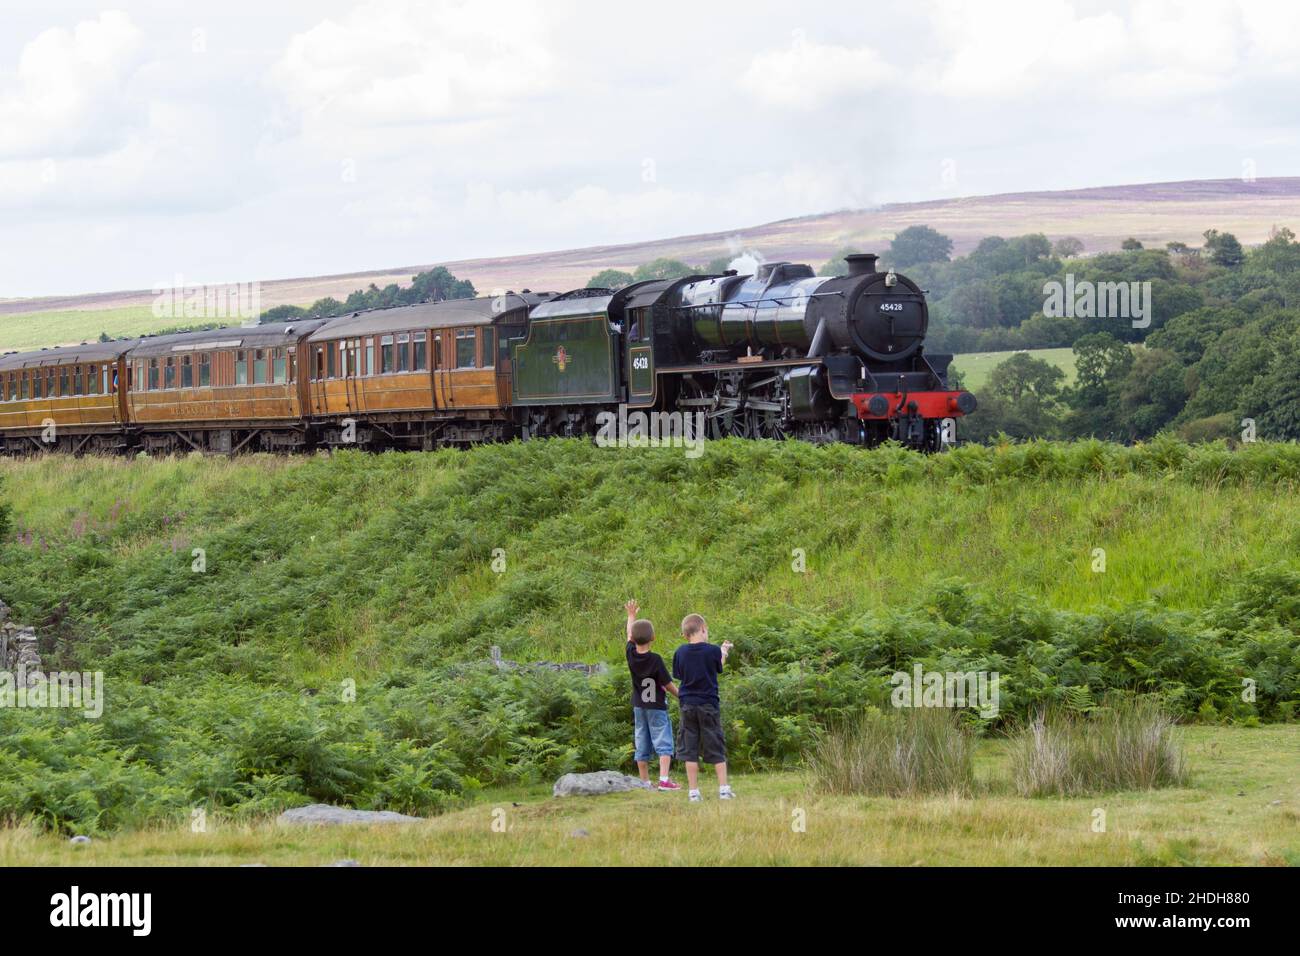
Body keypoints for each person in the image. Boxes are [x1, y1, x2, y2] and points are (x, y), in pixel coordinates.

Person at [671, 613, 734, 802]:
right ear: (704, 629)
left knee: (689, 748)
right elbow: (718, 666)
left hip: (687, 705)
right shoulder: (713, 651)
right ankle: (723, 789)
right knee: (715, 743)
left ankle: (693, 792)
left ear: (685, 634)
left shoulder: (680, 652)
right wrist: (723, 651)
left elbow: (679, 675)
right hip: (709, 705)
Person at [623, 599, 681, 791]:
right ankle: (664, 780)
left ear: (633, 639)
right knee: (663, 741)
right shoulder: (655, 660)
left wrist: (631, 615)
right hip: (656, 706)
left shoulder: (630, 655)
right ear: (653, 637)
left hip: (639, 707)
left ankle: (645, 781)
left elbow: (628, 635)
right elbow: (667, 684)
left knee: (641, 741)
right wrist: (681, 695)